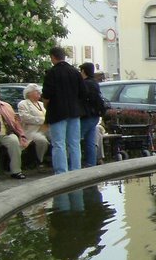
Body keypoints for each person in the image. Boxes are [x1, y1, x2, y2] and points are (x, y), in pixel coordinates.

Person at [42, 45, 84, 174]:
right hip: (74, 111)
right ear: (64, 57)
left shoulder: (52, 73)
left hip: (57, 112)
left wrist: (46, 104)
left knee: (59, 143)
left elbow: (47, 94)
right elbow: (83, 92)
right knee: (74, 143)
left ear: (53, 57)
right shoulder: (75, 72)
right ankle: (76, 169)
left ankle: (61, 172)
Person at [78, 61, 106, 167]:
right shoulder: (94, 83)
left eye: (80, 71)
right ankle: (91, 163)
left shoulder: (84, 84)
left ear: (83, 71)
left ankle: (74, 164)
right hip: (95, 115)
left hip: (86, 116)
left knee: (75, 140)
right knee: (90, 140)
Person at [17, 83, 50, 168]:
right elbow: (25, 118)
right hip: (31, 130)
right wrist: (42, 120)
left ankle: (54, 159)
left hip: (45, 128)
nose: (39, 93)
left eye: (39, 92)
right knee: (42, 141)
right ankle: (40, 160)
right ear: (29, 93)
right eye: (37, 92)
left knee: (58, 137)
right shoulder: (23, 103)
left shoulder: (41, 104)